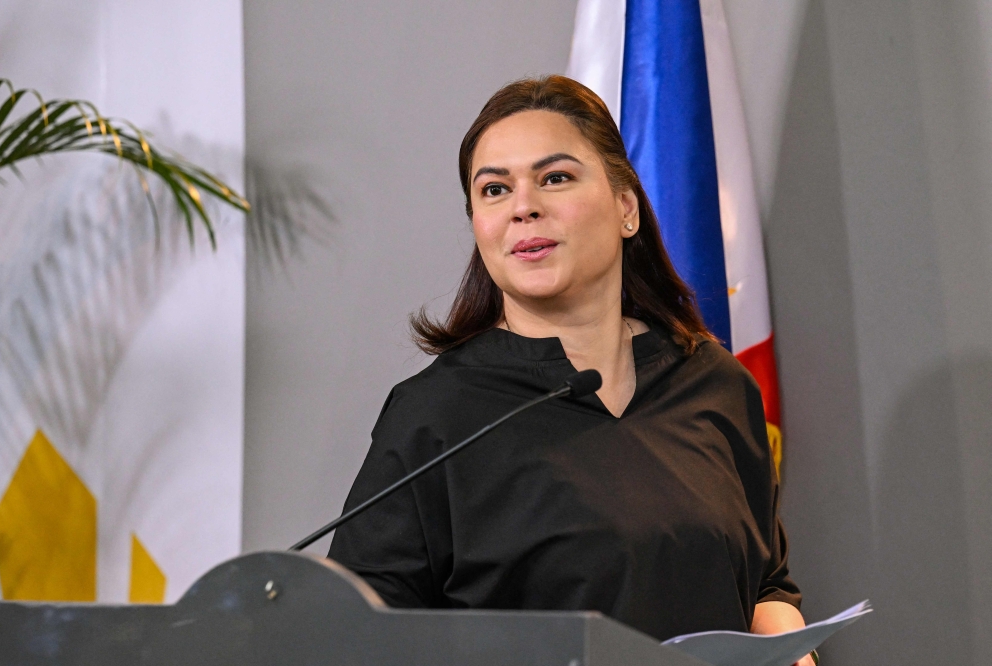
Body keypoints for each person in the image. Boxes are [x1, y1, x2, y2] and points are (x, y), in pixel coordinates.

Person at [329, 75, 813, 664]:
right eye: (494, 189)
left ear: (626, 208)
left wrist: (794, 654)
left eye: (554, 178)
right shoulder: (435, 414)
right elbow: (357, 637)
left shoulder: (716, 383)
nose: (523, 207)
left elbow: (766, 583)